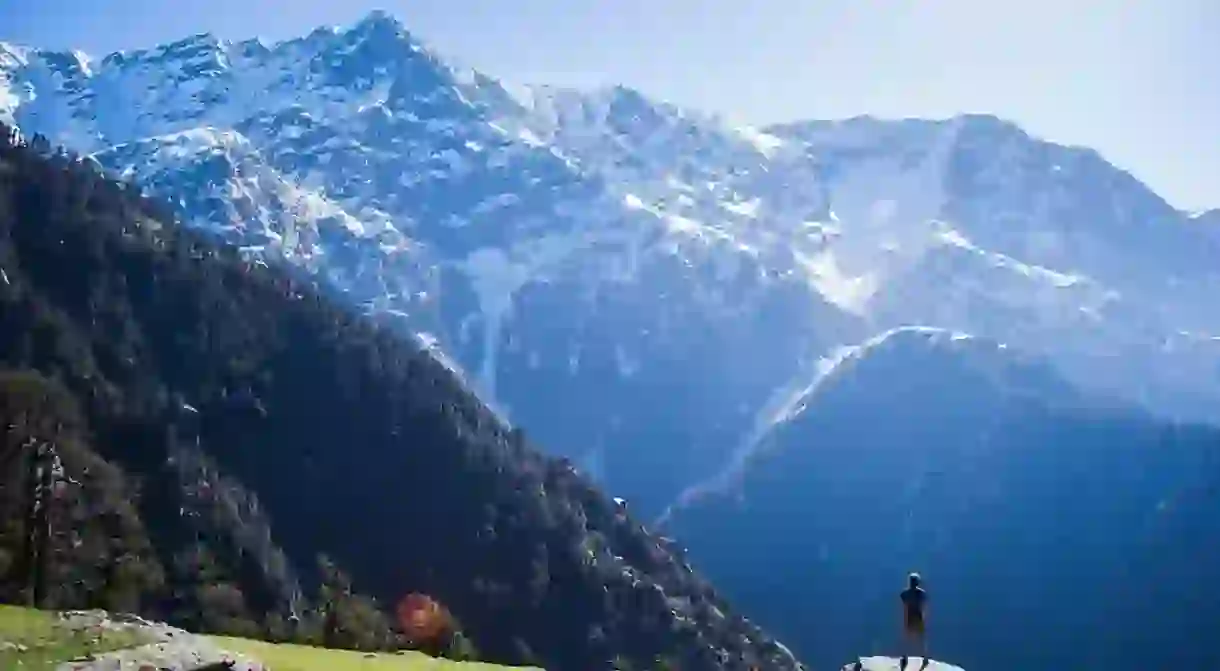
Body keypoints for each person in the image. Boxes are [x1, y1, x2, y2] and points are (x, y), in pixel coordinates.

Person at [899, 572, 929, 671]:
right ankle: (924, 658)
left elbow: (903, 602)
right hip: (918, 617)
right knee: (921, 639)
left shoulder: (905, 593)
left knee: (908, 638)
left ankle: (905, 656)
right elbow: (923, 603)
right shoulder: (921, 593)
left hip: (909, 616)